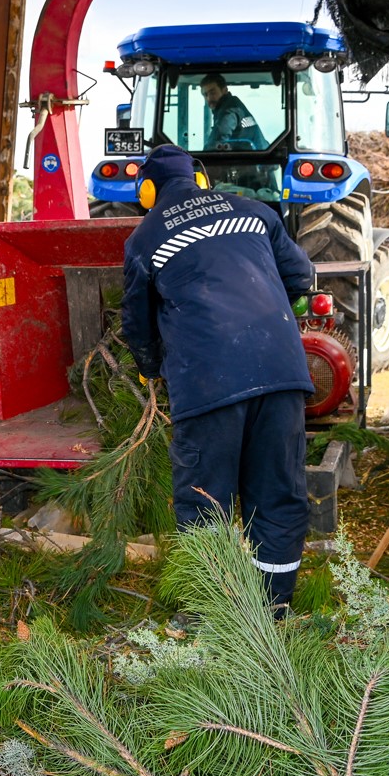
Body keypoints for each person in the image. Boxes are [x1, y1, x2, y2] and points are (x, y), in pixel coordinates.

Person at [120, 144, 314, 614]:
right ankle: (273, 611)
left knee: (205, 501)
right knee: (278, 496)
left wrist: (150, 369)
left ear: (148, 191)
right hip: (282, 375)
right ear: (201, 179)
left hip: (207, 386)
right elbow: (301, 276)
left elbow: (137, 324)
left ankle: (213, 615)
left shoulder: (145, 238)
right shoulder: (256, 212)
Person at [200, 73, 268, 151]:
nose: (208, 98)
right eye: (205, 95)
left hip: (254, 157)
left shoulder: (229, 110)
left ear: (224, 90)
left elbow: (218, 141)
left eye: (212, 93)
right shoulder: (235, 105)